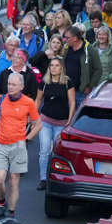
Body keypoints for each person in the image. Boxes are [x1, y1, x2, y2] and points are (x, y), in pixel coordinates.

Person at [0, 75, 42, 216]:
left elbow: (38, 124)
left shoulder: (28, 102)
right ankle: (2, 201)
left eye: (14, 85)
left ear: (21, 87)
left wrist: (27, 139)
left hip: (18, 146)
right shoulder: (0, 99)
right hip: (1, 144)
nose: (10, 87)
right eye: (9, 84)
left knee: (14, 181)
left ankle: (11, 212)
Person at [35, 58, 76, 190]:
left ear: (61, 68)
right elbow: (38, 100)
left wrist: (70, 120)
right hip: (45, 121)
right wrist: (34, 117)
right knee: (44, 150)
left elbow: (72, 102)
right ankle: (43, 179)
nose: (53, 68)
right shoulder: (44, 82)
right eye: (51, 65)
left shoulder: (67, 82)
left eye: (56, 65)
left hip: (61, 123)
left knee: (56, 151)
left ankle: (56, 178)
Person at [64, 24, 102, 100]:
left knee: (77, 112)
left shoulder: (90, 50)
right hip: (66, 90)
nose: (65, 40)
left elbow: (98, 69)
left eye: (67, 38)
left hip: (81, 92)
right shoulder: (66, 49)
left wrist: (89, 86)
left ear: (75, 38)